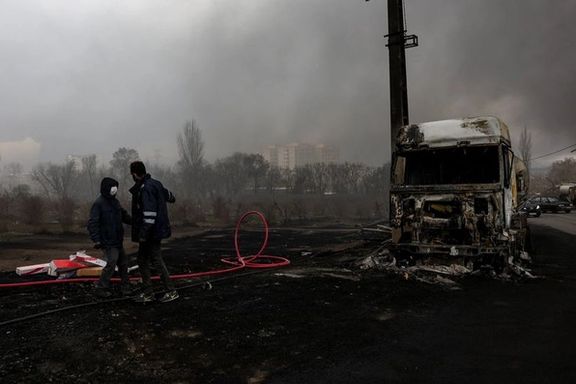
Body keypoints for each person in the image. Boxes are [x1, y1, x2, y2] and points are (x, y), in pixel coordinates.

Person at [129, 161, 178, 303]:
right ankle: (148, 293)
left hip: (151, 232)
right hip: (157, 230)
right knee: (142, 259)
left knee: (155, 260)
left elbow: (149, 214)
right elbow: (171, 197)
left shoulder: (145, 189)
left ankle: (170, 291)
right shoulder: (156, 184)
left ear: (134, 174)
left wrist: (143, 234)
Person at [87, 177, 132, 298]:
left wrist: (135, 221)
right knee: (111, 263)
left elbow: (124, 215)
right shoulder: (98, 204)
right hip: (108, 241)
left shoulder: (115, 202)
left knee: (123, 263)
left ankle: (126, 286)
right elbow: (93, 223)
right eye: (113, 188)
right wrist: (96, 239)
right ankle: (101, 287)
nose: (115, 190)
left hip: (117, 239)